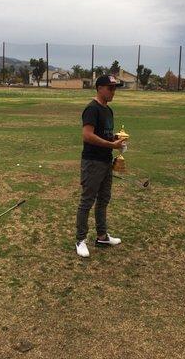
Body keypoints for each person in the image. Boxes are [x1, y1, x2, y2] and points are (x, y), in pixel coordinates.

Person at [75, 75, 126, 258]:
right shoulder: (92, 109)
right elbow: (87, 135)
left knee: (104, 199)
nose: (113, 92)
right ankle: (80, 240)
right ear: (99, 88)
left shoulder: (108, 110)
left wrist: (116, 139)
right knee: (87, 201)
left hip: (106, 161)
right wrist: (112, 145)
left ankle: (102, 236)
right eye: (110, 88)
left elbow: (104, 134)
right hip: (92, 162)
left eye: (115, 88)